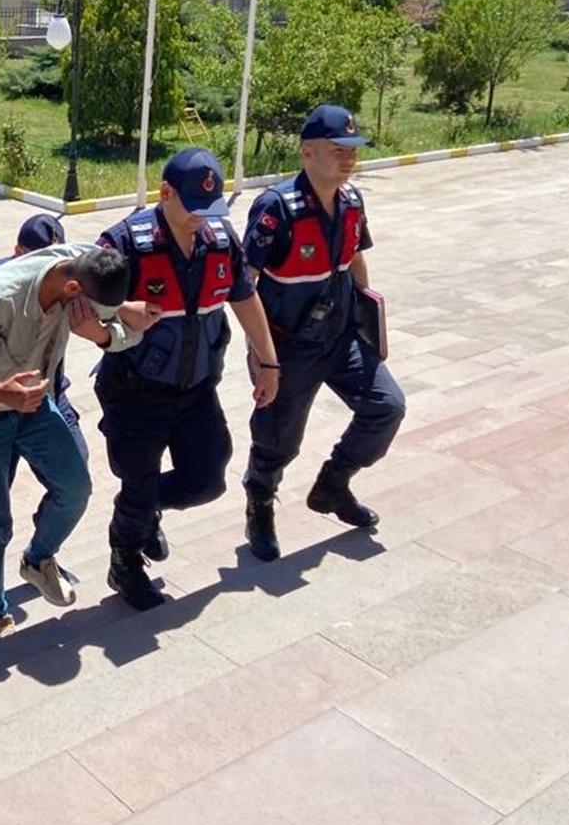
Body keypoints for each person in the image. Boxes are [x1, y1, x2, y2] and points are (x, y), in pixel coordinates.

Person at [95, 148, 280, 610]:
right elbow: (77, 298)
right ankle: (126, 559)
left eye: (210, 208)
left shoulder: (219, 239)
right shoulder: (127, 243)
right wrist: (121, 309)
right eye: (193, 207)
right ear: (165, 193)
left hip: (197, 389)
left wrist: (269, 361)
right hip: (136, 392)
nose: (201, 218)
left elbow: (244, 296)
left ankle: (141, 510)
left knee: (206, 479)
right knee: (137, 483)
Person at [0, 242, 153, 643]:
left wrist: (107, 332)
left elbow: (124, 332)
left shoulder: (89, 264)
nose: (95, 323)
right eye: (93, 314)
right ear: (71, 292)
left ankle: (38, 559)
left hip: (36, 407)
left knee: (76, 488)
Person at [241, 104, 406, 561]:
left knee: (386, 407)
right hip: (288, 347)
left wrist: (370, 319)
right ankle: (259, 503)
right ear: (307, 152)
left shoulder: (352, 201)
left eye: (352, 149)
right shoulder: (277, 209)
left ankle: (333, 484)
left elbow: (354, 257)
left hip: (341, 337)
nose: (348, 158)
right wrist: (262, 356)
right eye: (337, 150)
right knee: (278, 441)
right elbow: (244, 284)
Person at [0, 213, 84, 602]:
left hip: (43, 400)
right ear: (18, 254)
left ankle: (39, 558)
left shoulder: (69, 283)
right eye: (36, 257)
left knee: (75, 484)